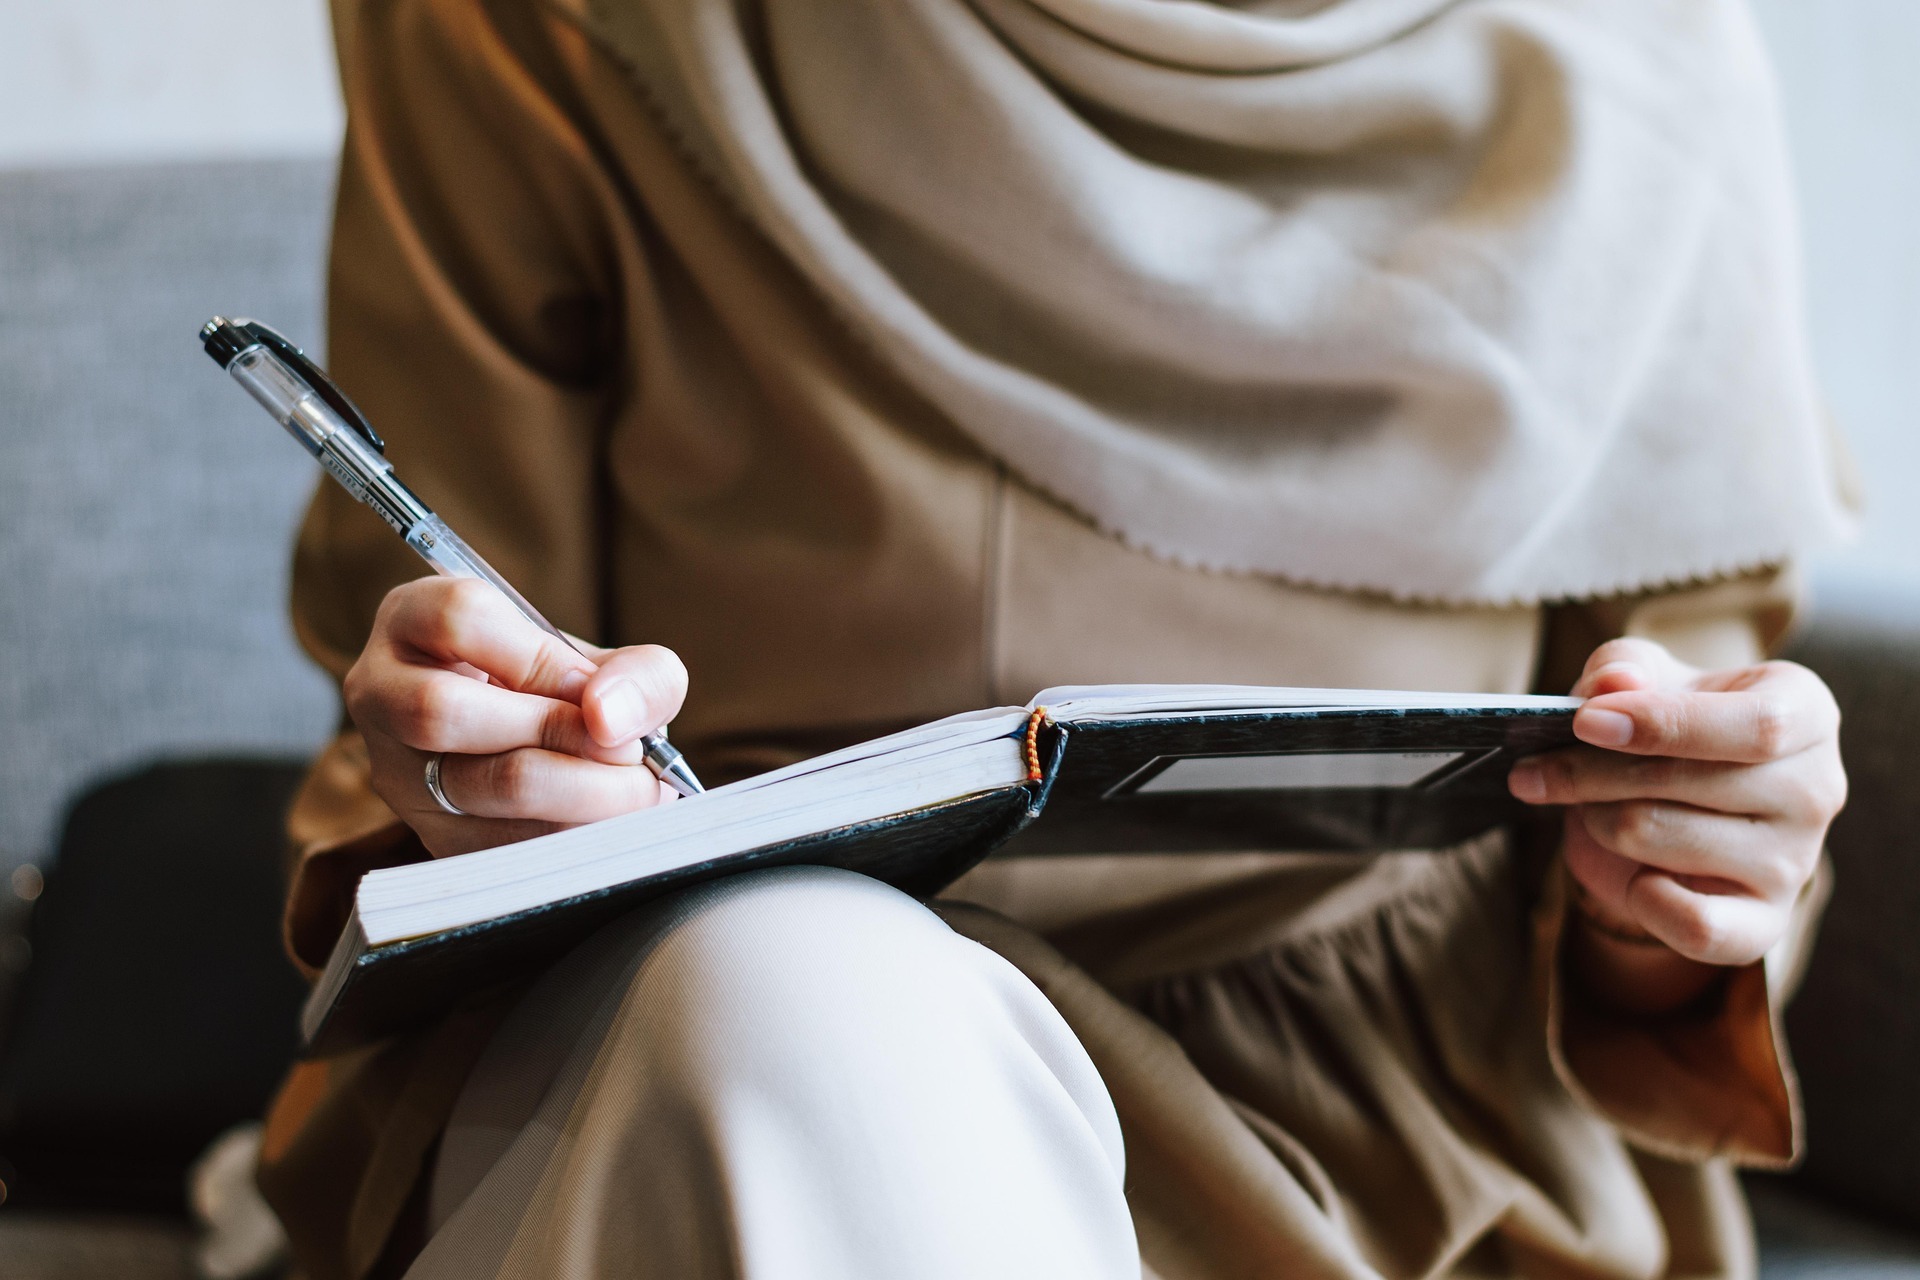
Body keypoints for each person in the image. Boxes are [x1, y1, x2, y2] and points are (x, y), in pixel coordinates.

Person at [255, 0, 1856, 1276]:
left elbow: (1674, 815)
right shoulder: (545, 30)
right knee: (805, 999)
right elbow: (433, 708)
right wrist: (488, 778)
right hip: (704, 1058)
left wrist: (1686, 871)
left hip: (1392, 1161)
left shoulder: (1644, 70)